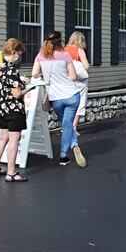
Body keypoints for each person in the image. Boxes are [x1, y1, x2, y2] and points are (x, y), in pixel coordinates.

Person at [32, 30, 86, 167]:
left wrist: (46, 76)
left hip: (55, 97)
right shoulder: (65, 55)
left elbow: (34, 74)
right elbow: (73, 77)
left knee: (66, 124)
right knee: (68, 124)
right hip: (71, 95)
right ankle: (65, 153)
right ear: (59, 41)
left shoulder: (40, 56)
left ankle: (72, 146)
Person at [0, 38, 29, 182]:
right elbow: (17, 93)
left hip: (1, 108)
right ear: (13, 53)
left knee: (3, 138)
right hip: (13, 109)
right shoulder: (12, 70)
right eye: (19, 54)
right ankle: (11, 173)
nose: (20, 57)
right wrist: (31, 87)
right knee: (14, 140)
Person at [65, 31, 90, 136]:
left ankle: (66, 127)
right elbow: (86, 66)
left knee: (68, 105)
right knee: (79, 104)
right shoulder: (79, 51)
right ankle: (73, 128)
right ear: (81, 40)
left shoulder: (64, 50)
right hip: (79, 81)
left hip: (67, 80)